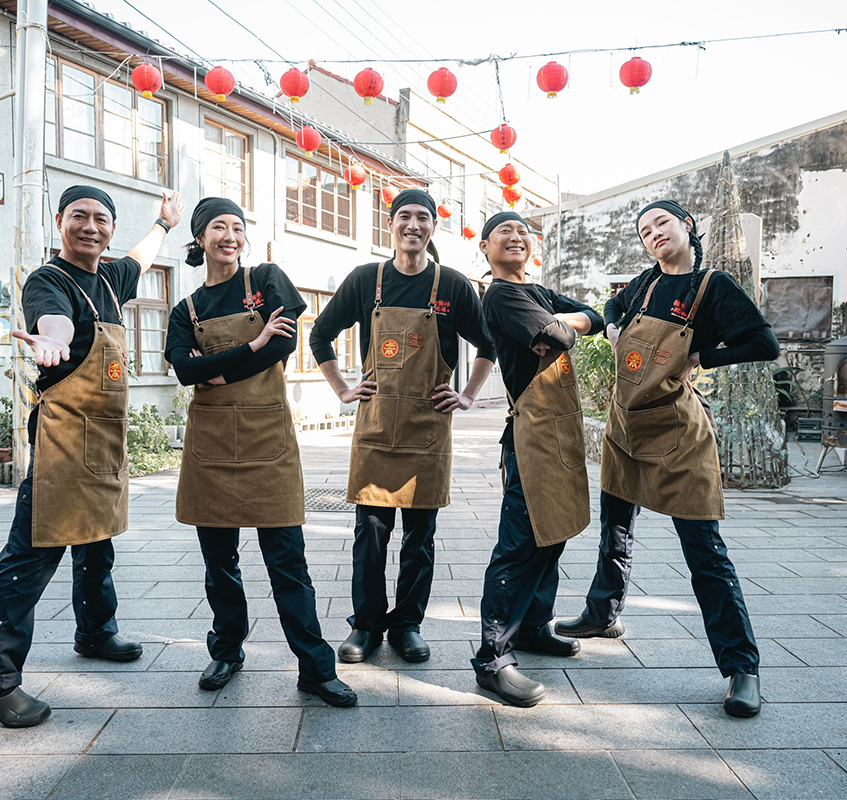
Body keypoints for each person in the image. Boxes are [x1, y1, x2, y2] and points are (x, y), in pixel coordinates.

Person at [0, 185, 185, 728]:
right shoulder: (50, 281)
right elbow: (54, 320)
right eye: (79, 216)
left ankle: (95, 631)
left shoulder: (111, 280)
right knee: (31, 556)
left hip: (105, 440)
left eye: (101, 219)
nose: (91, 227)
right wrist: (51, 340)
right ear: (60, 220)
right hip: (64, 441)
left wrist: (164, 223)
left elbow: (141, 259)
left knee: (96, 540)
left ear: (110, 228)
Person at [554, 199, 779, 718]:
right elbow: (613, 306)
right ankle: (601, 614)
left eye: (662, 223)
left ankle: (742, 668)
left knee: (706, 554)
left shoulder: (712, 286)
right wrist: (613, 326)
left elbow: (763, 343)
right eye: (645, 231)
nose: (654, 233)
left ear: (686, 226)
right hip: (626, 427)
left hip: (678, 436)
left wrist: (702, 355)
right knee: (615, 530)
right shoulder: (645, 283)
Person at [165, 197, 356, 708]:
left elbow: (283, 346)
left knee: (288, 562)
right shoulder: (186, 309)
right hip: (209, 449)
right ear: (200, 238)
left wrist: (217, 369)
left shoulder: (267, 279)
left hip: (267, 441)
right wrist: (250, 347)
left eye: (237, 226)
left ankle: (315, 669)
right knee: (219, 562)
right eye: (218, 227)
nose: (230, 235)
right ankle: (227, 651)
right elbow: (185, 371)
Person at [309, 189, 497, 664]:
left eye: (423, 218)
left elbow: (488, 345)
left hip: (427, 430)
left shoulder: (452, 285)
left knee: (420, 537)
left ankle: (407, 625)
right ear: (390, 223)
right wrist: (343, 389)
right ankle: (367, 625)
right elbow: (319, 334)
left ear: (433, 226)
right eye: (405, 216)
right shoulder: (365, 280)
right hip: (375, 429)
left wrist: (468, 395)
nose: (413, 225)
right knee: (370, 535)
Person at [470, 212, 604, 707]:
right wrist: (561, 327)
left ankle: (531, 628)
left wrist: (559, 323)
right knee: (520, 546)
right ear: (485, 248)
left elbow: (592, 317)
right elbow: (567, 336)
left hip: (558, 431)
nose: (516, 236)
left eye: (522, 231)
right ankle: (492, 659)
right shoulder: (502, 295)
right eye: (503, 232)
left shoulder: (537, 292)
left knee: (554, 533)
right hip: (529, 436)